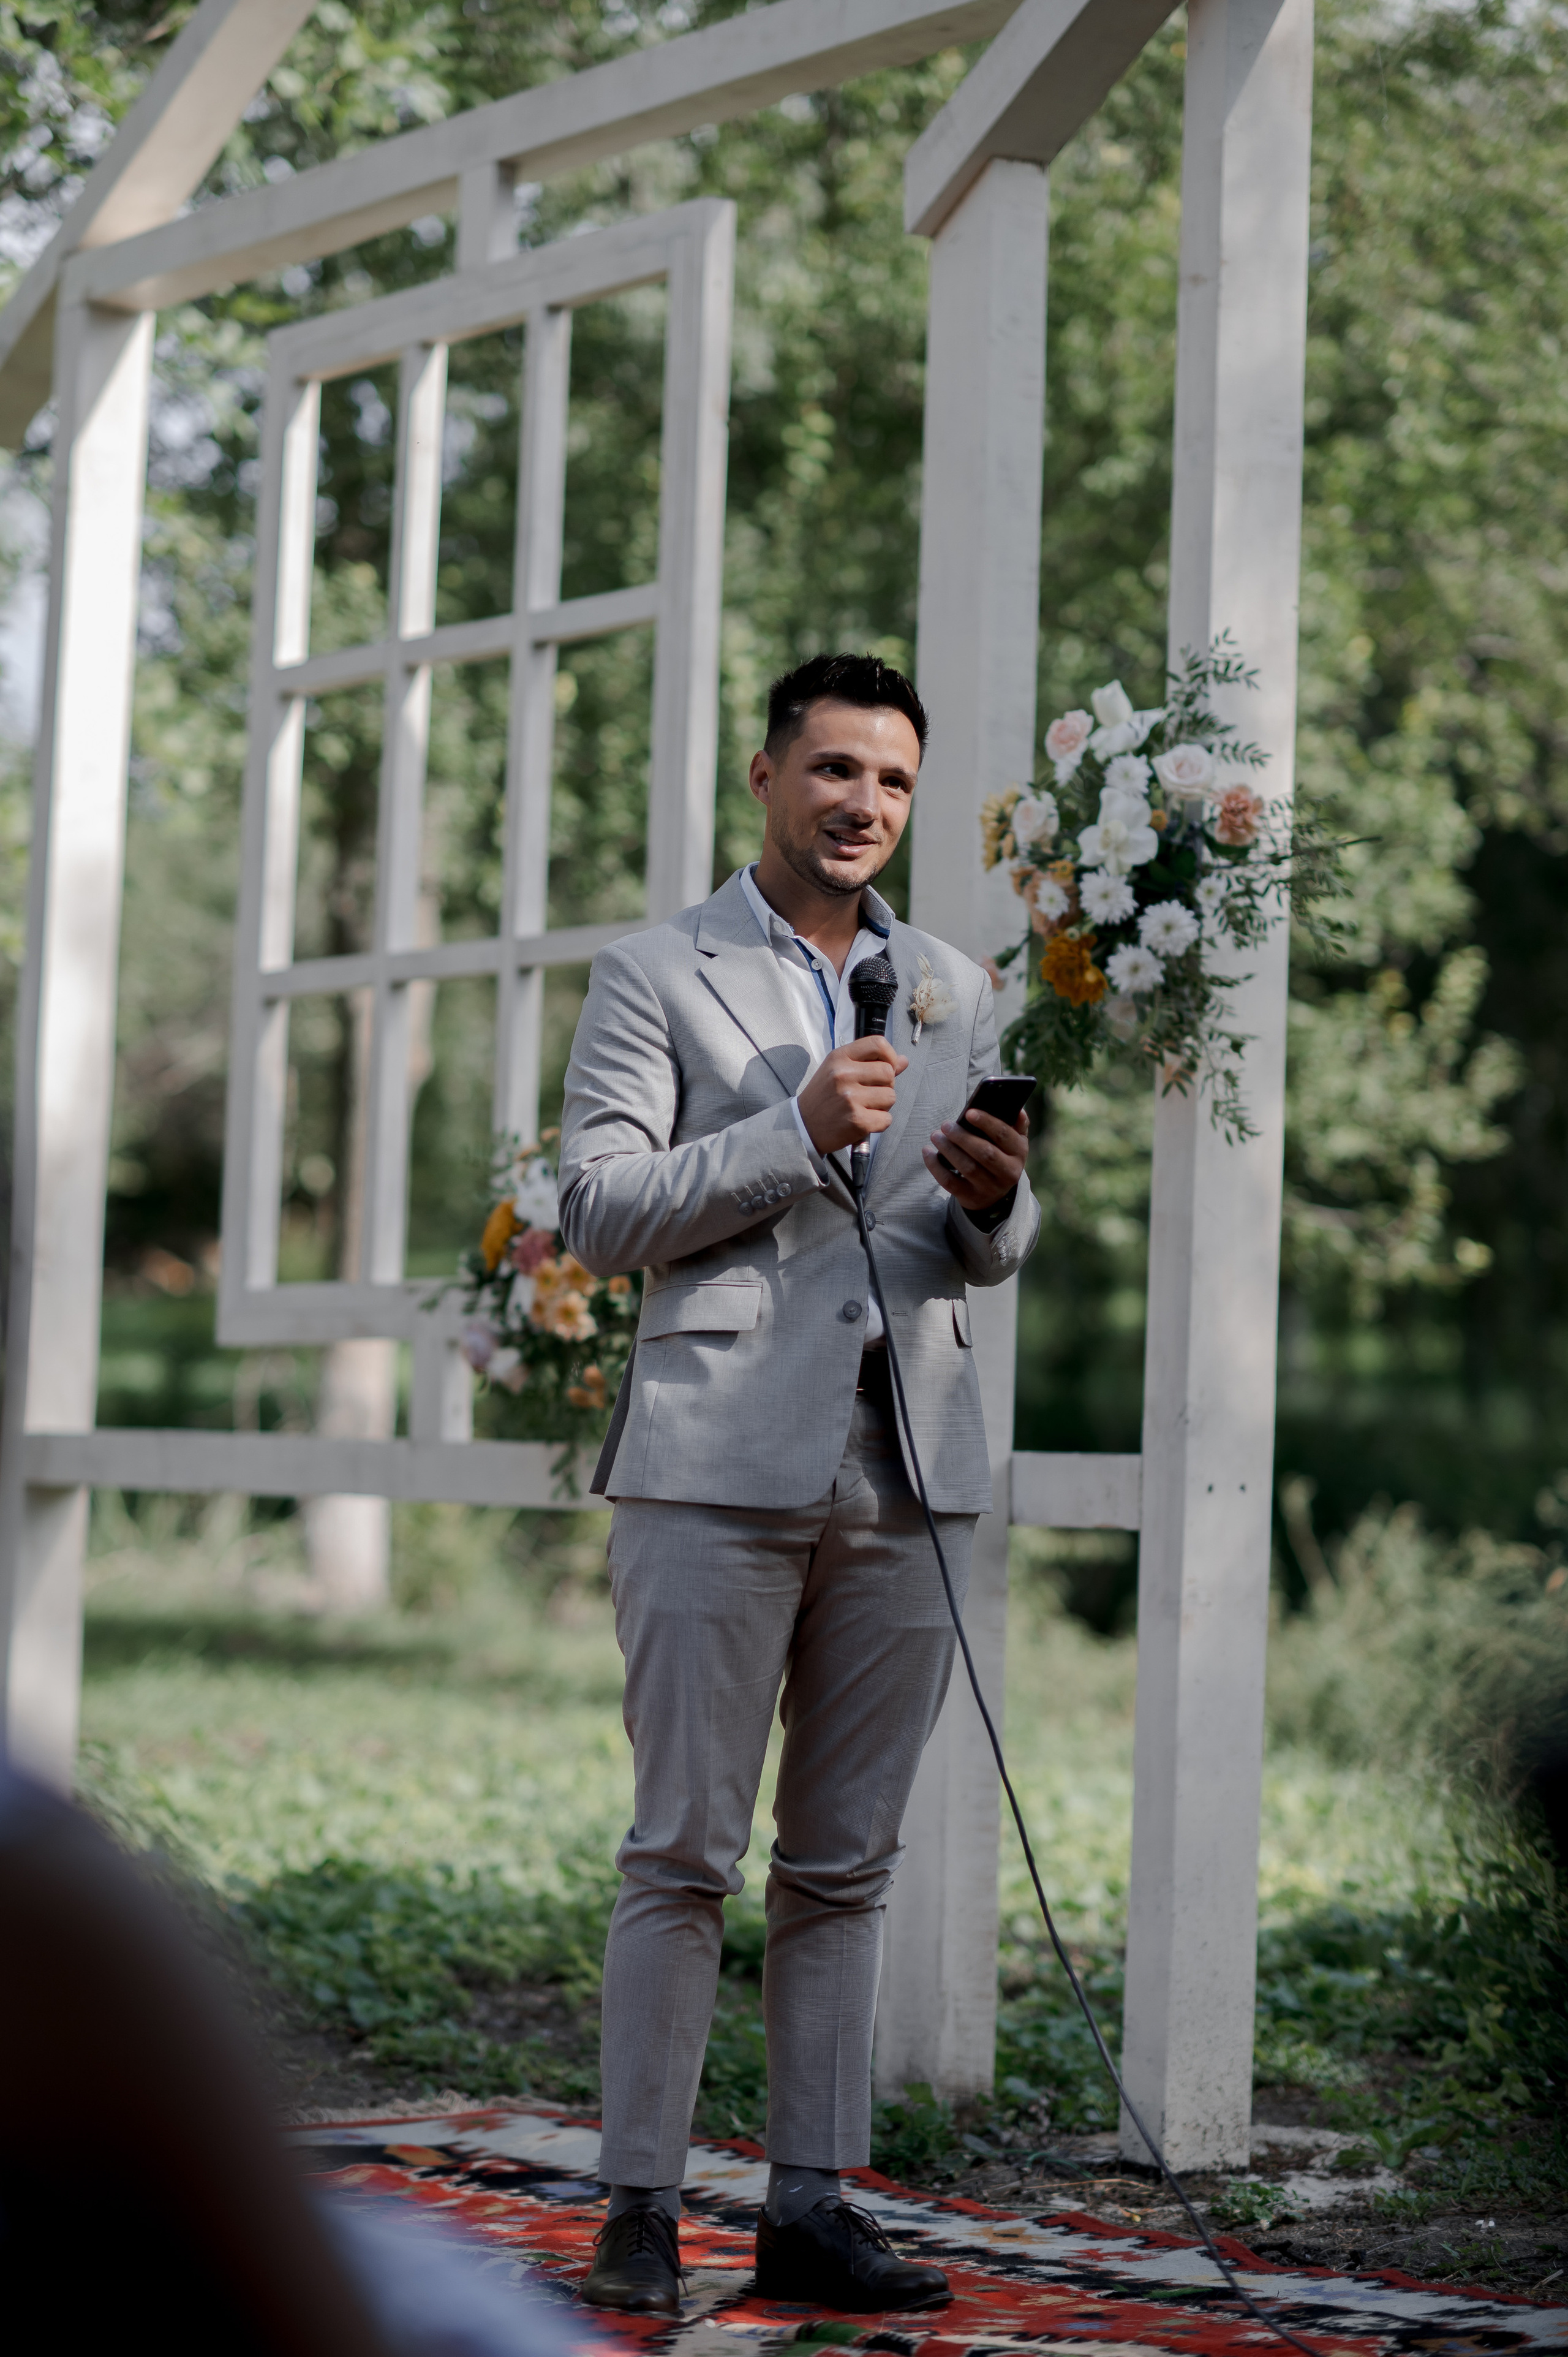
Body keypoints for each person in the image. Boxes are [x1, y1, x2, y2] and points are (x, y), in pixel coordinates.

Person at [559, 652, 1039, 2318]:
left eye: (894, 783)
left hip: (907, 1466)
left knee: (846, 1862)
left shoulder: (955, 985)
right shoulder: (654, 971)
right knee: (681, 1854)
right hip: (712, 1468)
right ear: (765, 777)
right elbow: (598, 1214)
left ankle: (813, 2207)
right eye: (835, 770)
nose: (864, 806)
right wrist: (793, 1133)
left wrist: (992, 1206)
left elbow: (967, 1246)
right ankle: (635, 2210)